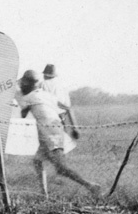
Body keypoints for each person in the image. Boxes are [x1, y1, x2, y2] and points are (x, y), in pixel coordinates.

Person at [17, 69, 103, 199]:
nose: (22, 86)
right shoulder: (46, 95)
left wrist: (23, 103)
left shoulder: (28, 98)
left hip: (50, 133)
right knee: (37, 161)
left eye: (23, 83)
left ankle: (90, 186)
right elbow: (67, 108)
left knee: (61, 168)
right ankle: (43, 194)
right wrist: (75, 128)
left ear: (28, 84)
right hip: (53, 130)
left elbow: (22, 115)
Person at [40, 63, 81, 142]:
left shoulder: (42, 84)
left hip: (47, 118)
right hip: (61, 119)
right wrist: (74, 127)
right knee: (61, 144)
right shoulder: (62, 86)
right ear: (54, 75)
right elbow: (68, 107)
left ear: (45, 75)